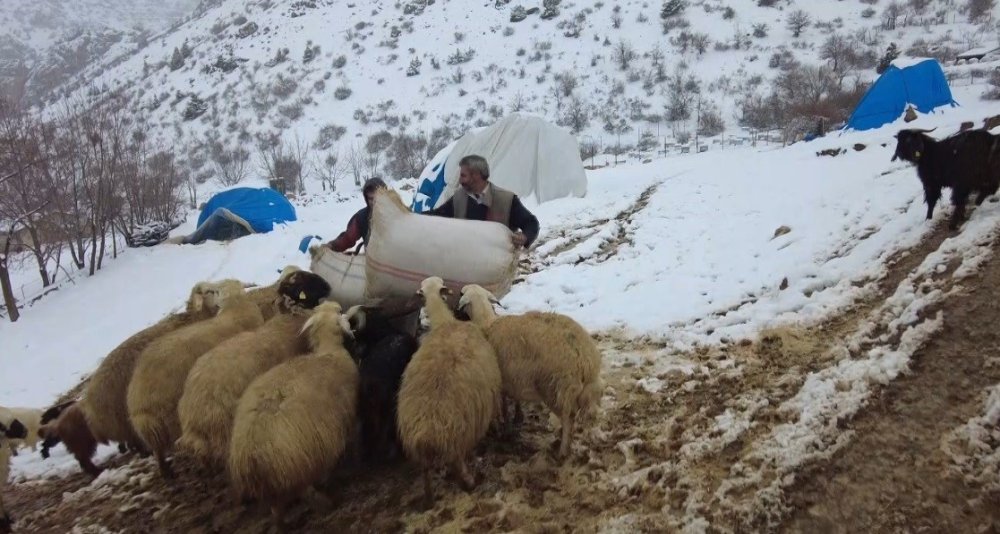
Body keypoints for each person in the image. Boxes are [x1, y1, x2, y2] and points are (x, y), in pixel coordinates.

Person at [425, 154, 540, 249]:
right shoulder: (459, 198)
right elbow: (438, 215)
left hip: (494, 268)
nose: (459, 180)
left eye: (463, 176)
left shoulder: (506, 200)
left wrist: (524, 236)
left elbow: (531, 223)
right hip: (464, 263)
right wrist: (410, 214)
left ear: (476, 176)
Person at [324, 177, 387, 253]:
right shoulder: (362, 217)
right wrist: (332, 246)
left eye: (378, 198)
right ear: (367, 198)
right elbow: (348, 238)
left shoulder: (399, 212)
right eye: (371, 198)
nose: (374, 202)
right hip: (372, 259)